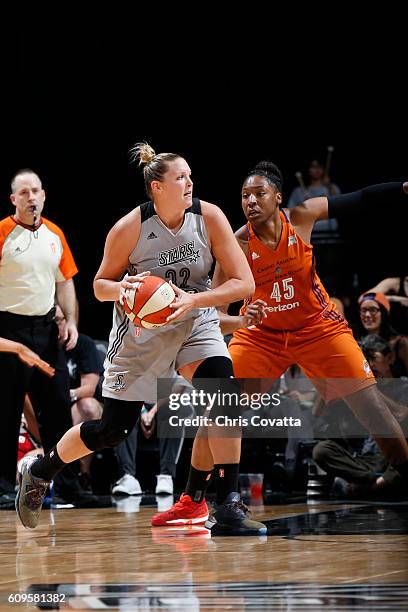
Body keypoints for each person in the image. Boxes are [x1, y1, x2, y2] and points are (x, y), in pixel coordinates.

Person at [16, 144, 266, 536]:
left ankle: (227, 503)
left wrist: (195, 300)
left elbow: (244, 283)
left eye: (190, 176)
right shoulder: (130, 228)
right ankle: (42, 470)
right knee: (112, 430)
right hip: (141, 335)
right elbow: (99, 286)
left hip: (193, 319)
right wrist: (124, 289)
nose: (189, 183)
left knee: (225, 394)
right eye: (179, 177)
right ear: (156, 187)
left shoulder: (209, 217)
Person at [212, 161, 408, 497]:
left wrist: (402, 187)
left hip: (318, 328)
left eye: (260, 194)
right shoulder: (237, 244)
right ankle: (209, 496)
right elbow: (215, 314)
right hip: (262, 336)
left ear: (278, 197)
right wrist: (242, 321)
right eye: (245, 196)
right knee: (222, 405)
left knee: (372, 408)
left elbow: (359, 198)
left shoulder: (301, 216)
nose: (251, 202)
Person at [0, 169, 80, 503]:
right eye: (24, 193)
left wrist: (72, 320)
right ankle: (3, 487)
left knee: (59, 407)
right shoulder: (2, 232)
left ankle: (68, 485)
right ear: (14, 200)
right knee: (6, 408)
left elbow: (65, 282)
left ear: (44, 195)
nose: (31, 198)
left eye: (36, 191)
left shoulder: (55, 234)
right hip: (9, 329)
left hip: (46, 331)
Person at [358, 291, 408, 377]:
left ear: (383, 313)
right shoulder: (357, 343)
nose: (367, 315)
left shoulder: (401, 343)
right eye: (363, 310)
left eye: (373, 310)